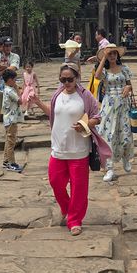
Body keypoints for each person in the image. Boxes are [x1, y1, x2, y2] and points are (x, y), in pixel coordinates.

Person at [41, 64, 110, 235]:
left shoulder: (85, 96)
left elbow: (97, 117)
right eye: (63, 80)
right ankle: (66, 208)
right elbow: (53, 114)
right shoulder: (57, 94)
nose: (66, 83)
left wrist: (85, 124)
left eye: (70, 79)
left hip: (78, 149)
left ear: (77, 78)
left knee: (79, 188)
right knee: (55, 181)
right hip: (58, 147)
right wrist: (37, 102)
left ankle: (74, 219)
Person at [96, 46, 135, 182]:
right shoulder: (105, 71)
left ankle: (126, 158)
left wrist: (128, 87)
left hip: (123, 104)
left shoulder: (124, 69)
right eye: (109, 54)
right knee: (108, 134)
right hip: (109, 105)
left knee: (125, 133)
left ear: (118, 55)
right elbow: (97, 76)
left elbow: (130, 85)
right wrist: (103, 59)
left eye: (114, 53)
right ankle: (110, 167)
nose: (112, 56)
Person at [0, 69, 25, 172]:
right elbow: (20, 101)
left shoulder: (6, 89)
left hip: (8, 118)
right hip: (11, 119)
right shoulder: (10, 91)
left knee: (8, 140)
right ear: (10, 80)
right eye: (14, 80)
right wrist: (18, 90)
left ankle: (5, 161)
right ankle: (11, 163)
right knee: (11, 142)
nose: (15, 82)